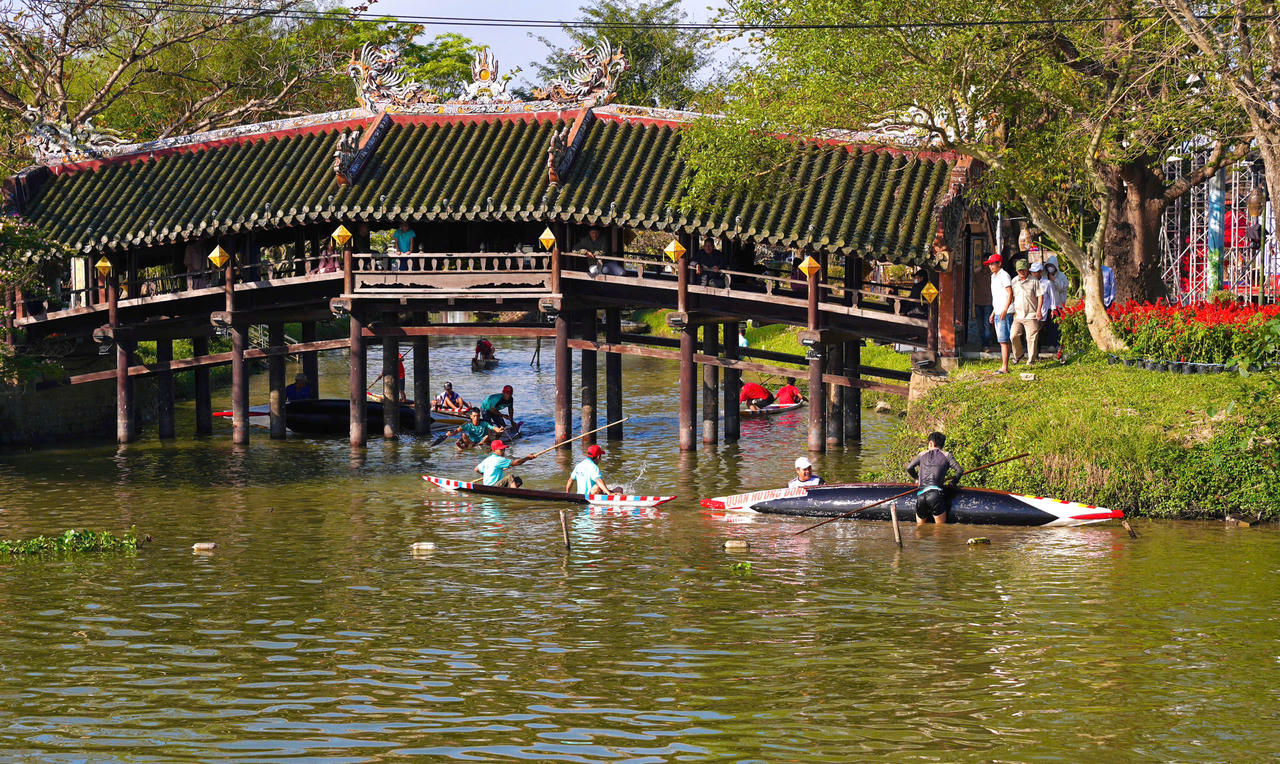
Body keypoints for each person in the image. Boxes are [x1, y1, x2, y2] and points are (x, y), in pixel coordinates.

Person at [905, 431, 964, 525]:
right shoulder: (947, 455)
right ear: (942, 444)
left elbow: (909, 468)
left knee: (920, 528)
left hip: (921, 495)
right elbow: (959, 471)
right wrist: (953, 482)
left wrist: (917, 478)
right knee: (940, 529)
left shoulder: (922, 454)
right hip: (935, 495)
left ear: (931, 443)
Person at [1010, 259, 1046, 366]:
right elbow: (1011, 296)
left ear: (1028, 270)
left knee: (1031, 338)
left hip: (1031, 314)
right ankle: (1019, 354)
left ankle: (1031, 361)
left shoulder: (1034, 281)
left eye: (1023, 270)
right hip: (1018, 314)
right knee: (1013, 335)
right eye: (1019, 270)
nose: (1021, 272)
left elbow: (1040, 296)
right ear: (1017, 271)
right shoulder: (1014, 281)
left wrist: (1039, 311)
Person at [986, 253, 1014, 374]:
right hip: (998, 310)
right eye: (989, 264)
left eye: (993, 264)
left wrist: (1005, 310)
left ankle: (1004, 367)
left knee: (1004, 340)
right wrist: (994, 312)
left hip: (1005, 312)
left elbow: (1010, 293)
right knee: (1002, 340)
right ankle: (1004, 365)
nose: (991, 266)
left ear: (999, 264)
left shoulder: (1004, 275)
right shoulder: (993, 276)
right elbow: (998, 296)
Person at [972, 252, 995, 349]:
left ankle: (986, 344)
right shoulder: (977, 273)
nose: (985, 263)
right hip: (978, 301)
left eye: (987, 261)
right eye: (984, 261)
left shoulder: (993, 274)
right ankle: (984, 342)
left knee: (987, 324)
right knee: (980, 324)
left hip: (989, 302)